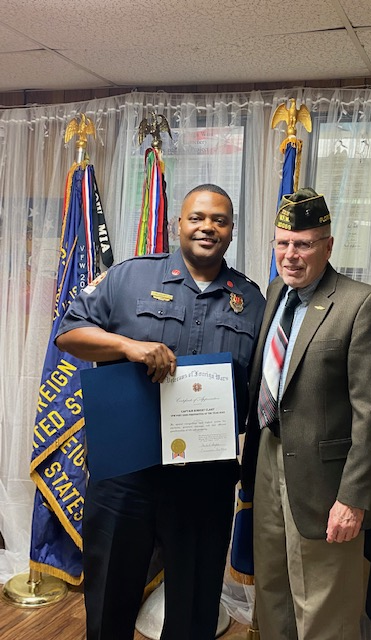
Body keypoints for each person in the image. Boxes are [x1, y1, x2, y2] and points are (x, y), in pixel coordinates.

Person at [55, 184, 266, 640]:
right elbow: (69, 333)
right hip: (126, 474)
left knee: (193, 611)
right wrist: (128, 346)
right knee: (110, 601)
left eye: (220, 220)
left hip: (202, 481)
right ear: (179, 224)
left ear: (231, 231)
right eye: (197, 217)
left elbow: (258, 390)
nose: (207, 227)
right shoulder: (130, 276)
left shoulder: (252, 302)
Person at [241, 188, 371, 640]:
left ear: (328, 245)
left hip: (328, 481)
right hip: (269, 458)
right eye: (283, 243)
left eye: (304, 244)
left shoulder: (361, 304)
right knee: (273, 590)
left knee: (324, 605)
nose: (290, 255)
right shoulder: (275, 292)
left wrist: (353, 499)